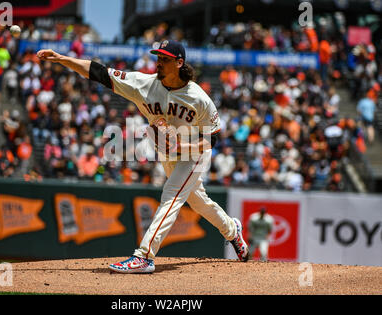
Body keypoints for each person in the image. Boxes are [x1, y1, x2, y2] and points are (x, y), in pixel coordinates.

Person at [37, 39, 249, 274]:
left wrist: (181, 145)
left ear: (179, 63)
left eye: (165, 59)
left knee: (171, 196)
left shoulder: (199, 98)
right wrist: (63, 59)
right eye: (158, 58)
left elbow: (213, 139)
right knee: (198, 202)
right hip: (168, 153)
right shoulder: (144, 84)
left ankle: (144, 256)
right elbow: (99, 72)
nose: (159, 63)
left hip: (194, 153)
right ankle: (232, 230)